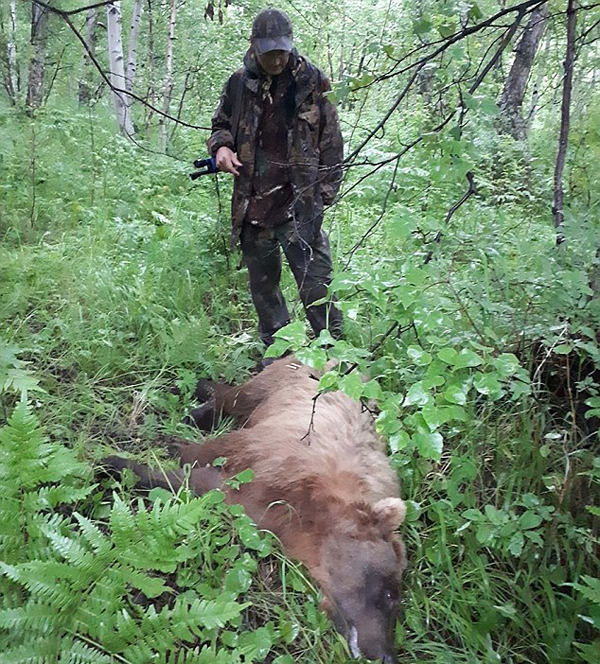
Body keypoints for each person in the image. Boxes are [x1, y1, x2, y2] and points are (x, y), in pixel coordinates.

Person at [207, 8, 344, 348]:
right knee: (265, 291)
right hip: (254, 206)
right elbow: (220, 126)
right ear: (254, 46)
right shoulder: (239, 84)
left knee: (316, 285)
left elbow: (332, 141)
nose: (277, 58)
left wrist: (324, 194)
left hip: (300, 204)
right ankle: (280, 357)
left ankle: (336, 355)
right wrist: (221, 149)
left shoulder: (312, 81)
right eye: (269, 52)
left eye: (282, 50)